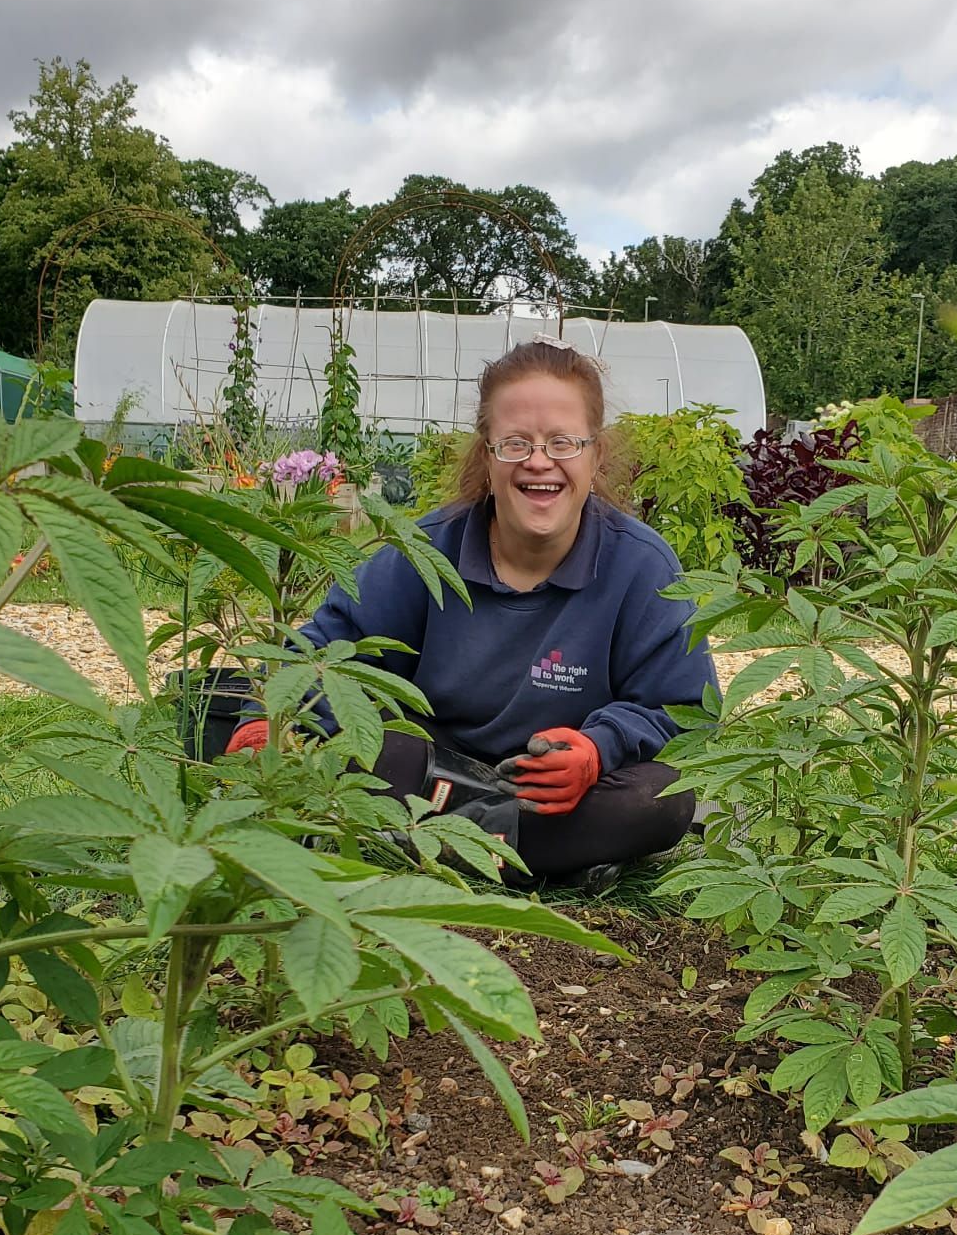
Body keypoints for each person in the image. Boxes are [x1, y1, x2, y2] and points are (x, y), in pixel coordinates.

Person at [226, 338, 718, 889]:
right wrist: (263, 724)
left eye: (563, 442)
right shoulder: (424, 550)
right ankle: (536, 859)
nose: (539, 461)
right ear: (486, 455)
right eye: (515, 443)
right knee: (359, 744)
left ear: (596, 455)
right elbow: (323, 655)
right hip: (432, 761)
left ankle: (425, 840)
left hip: (558, 789)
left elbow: (684, 710)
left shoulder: (642, 565)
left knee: (662, 800)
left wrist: (598, 748)